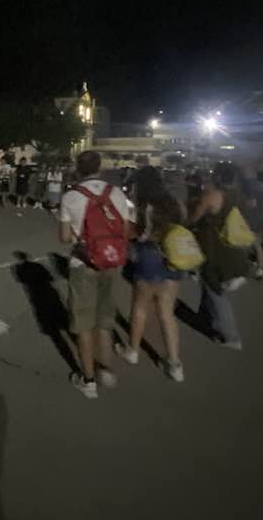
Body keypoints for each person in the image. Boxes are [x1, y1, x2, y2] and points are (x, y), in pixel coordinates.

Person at [58, 150, 133, 399]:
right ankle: (107, 369)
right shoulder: (116, 193)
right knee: (104, 319)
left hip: (83, 264)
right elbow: (126, 230)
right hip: (111, 262)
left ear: (78, 169)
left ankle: (88, 380)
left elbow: (64, 237)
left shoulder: (71, 196)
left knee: (83, 323)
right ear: (99, 167)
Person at [125, 166, 186, 381]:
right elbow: (183, 223)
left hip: (149, 255)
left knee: (140, 306)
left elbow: (135, 233)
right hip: (173, 255)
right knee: (166, 312)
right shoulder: (173, 202)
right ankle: (175, 364)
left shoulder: (142, 205)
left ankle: (132, 351)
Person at [190, 162, 250, 349]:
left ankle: (231, 336)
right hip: (235, 247)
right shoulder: (239, 194)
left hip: (216, 249)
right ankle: (206, 318)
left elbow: (194, 217)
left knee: (216, 292)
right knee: (208, 287)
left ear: (217, 176)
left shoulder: (213, 194)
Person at [241, 165, 263, 279]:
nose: (244, 173)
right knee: (257, 245)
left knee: (244, 246)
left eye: (245, 171)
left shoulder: (249, 185)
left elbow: (252, 203)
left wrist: (242, 204)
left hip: (251, 220)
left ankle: (243, 270)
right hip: (260, 218)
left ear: (251, 172)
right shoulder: (260, 185)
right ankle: (260, 270)